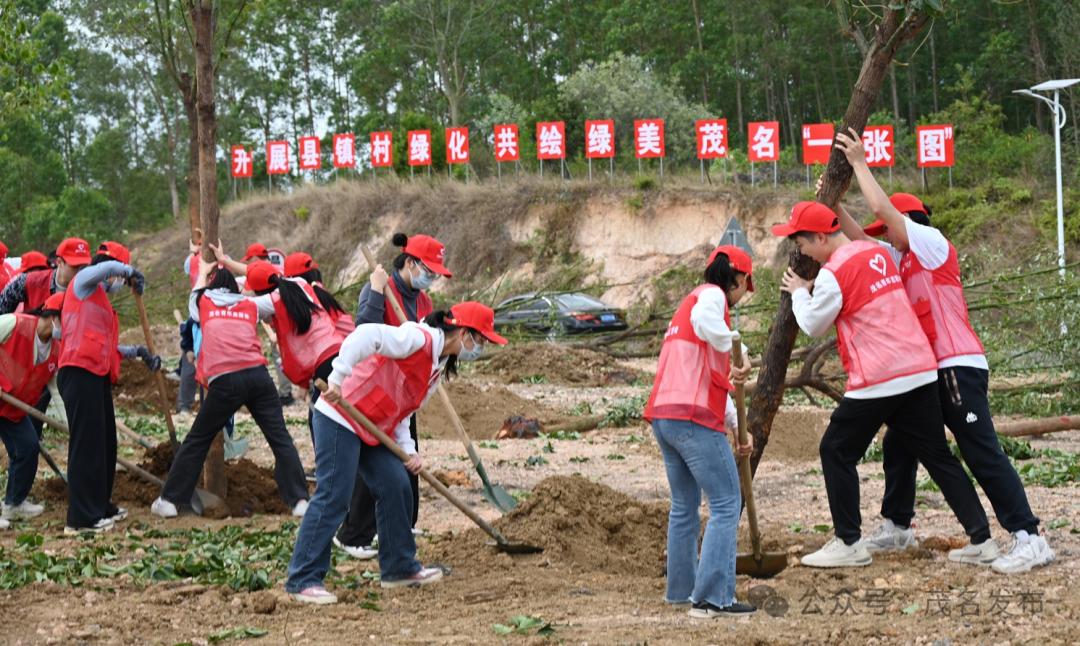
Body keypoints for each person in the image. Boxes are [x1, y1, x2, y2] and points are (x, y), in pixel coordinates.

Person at [832, 128, 1054, 574]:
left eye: (891, 228)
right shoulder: (900, 258)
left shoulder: (932, 246)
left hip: (958, 367)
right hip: (931, 372)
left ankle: (1029, 536)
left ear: (908, 222)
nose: (885, 235)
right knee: (901, 440)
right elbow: (862, 243)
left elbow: (879, 210)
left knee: (980, 449)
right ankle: (898, 525)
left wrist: (859, 164)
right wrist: (831, 206)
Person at [772, 201, 991, 568]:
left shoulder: (833, 273)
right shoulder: (875, 255)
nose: (802, 252)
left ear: (821, 237)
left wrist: (798, 291)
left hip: (879, 375)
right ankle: (982, 540)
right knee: (937, 456)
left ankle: (848, 541)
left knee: (835, 449)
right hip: (919, 369)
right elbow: (854, 292)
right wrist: (815, 285)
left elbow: (812, 323)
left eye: (803, 243)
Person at [285, 301, 506, 604]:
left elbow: (405, 409)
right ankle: (303, 578)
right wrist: (337, 377)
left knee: (396, 484)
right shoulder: (418, 338)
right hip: (340, 413)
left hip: (372, 427)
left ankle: (399, 568)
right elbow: (365, 336)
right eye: (480, 340)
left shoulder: (436, 367)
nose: (479, 347)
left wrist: (408, 451)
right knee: (335, 494)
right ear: (463, 332)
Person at [643, 245, 756, 619]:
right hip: (691, 418)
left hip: (666, 416)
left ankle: (680, 591)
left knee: (685, 507)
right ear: (737, 279)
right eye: (744, 287)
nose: (741, 297)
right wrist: (738, 348)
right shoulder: (710, 298)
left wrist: (738, 426)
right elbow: (716, 330)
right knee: (727, 503)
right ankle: (710, 598)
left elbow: (710, 377)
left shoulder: (687, 306)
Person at [151, 260, 308, 518]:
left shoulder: (202, 302)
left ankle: (169, 501)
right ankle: (300, 501)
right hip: (258, 376)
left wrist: (202, 270)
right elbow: (289, 288)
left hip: (225, 380)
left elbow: (197, 292)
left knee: (198, 439)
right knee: (280, 438)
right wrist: (240, 266)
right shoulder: (249, 304)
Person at [335, 232, 451, 560]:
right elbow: (364, 329)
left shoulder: (424, 302)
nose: (430, 279)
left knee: (409, 455)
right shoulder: (381, 290)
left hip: (405, 391)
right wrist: (374, 289)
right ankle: (353, 534)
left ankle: (405, 521)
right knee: (376, 458)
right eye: (427, 270)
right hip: (373, 387)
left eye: (435, 274)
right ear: (411, 263)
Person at [59, 241, 145, 534]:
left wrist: (137, 352)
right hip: (77, 371)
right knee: (86, 446)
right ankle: (81, 518)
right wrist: (129, 271)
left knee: (105, 442)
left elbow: (104, 343)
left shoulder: (99, 296)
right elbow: (106, 268)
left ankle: (100, 503)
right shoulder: (83, 280)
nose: (119, 282)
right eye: (119, 277)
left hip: (95, 374)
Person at [0, 292, 63, 528]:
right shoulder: (14, 323)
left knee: (28, 446)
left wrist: (72, 426)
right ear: (52, 317)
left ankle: (14, 504)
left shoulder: (56, 350)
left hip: (12, 406)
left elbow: (58, 394)